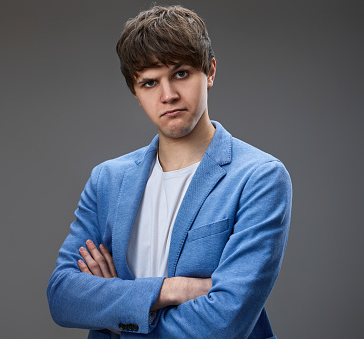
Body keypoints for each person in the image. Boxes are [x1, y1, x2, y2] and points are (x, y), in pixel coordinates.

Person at [47, 5, 292, 338]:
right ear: (135, 93)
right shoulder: (107, 180)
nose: (168, 95)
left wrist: (118, 315)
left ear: (210, 72)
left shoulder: (259, 178)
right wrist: (172, 289)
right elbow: (62, 297)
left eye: (180, 73)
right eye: (149, 83)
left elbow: (224, 323)